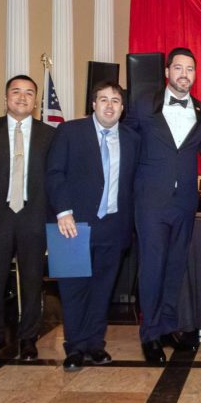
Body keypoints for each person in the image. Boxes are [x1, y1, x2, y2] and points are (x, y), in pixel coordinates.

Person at [124, 47, 201, 364]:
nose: (184, 74)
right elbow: (125, 145)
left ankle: (167, 327)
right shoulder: (142, 104)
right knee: (153, 266)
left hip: (186, 201)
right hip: (149, 200)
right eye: (178, 68)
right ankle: (149, 334)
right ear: (167, 72)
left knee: (175, 266)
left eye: (190, 69)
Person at [45, 82, 139, 371]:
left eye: (115, 101)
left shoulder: (132, 138)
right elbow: (54, 173)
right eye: (103, 99)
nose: (109, 105)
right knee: (74, 290)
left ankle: (95, 344)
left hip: (114, 226)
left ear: (122, 109)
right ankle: (74, 347)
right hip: (72, 226)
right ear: (93, 104)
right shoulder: (70, 132)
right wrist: (63, 212)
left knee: (102, 289)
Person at [0, 75, 55, 360]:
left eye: (29, 93)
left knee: (32, 280)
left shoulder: (49, 135)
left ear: (35, 100)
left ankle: (28, 339)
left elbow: (54, 177)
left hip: (34, 215)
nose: (22, 97)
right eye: (16, 92)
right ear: (6, 97)